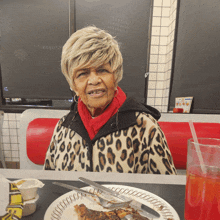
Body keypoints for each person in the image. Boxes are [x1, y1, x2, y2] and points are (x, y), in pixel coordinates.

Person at [44, 26, 177, 174]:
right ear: (73, 85)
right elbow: (52, 185)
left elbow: (163, 190)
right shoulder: (63, 127)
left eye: (102, 70)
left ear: (115, 76)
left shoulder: (144, 126)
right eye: (83, 73)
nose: (94, 80)